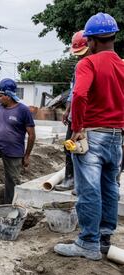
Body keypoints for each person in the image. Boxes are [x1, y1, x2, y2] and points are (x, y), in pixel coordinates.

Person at [54, 12, 124, 261]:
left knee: (89, 190)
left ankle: (87, 243)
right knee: (109, 188)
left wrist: (78, 127)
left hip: (92, 135)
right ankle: (104, 239)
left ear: (92, 41)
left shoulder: (87, 63)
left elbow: (80, 95)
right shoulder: (123, 65)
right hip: (116, 137)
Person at [55, 30, 91, 191]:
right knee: (69, 147)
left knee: (84, 150)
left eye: (82, 52)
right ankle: (70, 179)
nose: (79, 56)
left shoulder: (94, 65)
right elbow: (74, 90)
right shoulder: (79, 65)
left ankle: (80, 183)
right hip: (75, 115)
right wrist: (68, 110)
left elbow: (83, 94)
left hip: (88, 117)